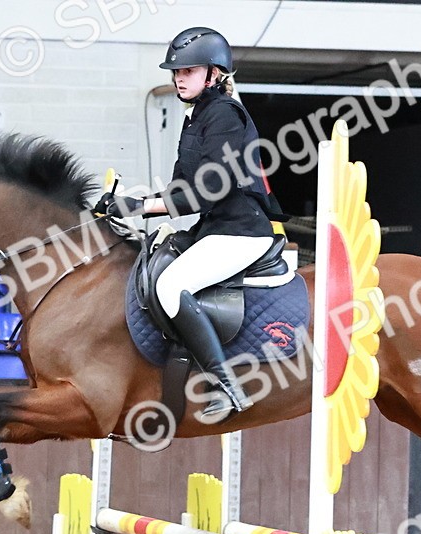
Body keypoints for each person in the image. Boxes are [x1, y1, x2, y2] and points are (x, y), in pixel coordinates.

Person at [94, 26, 287, 423]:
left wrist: (138, 206)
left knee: (171, 285)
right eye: (177, 72)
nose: (180, 78)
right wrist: (127, 202)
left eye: (190, 71)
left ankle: (228, 386)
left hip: (241, 232)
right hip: (214, 228)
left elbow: (209, 190)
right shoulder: (195, 116)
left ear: (215, 75)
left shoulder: (225, 115)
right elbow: (182, 185)